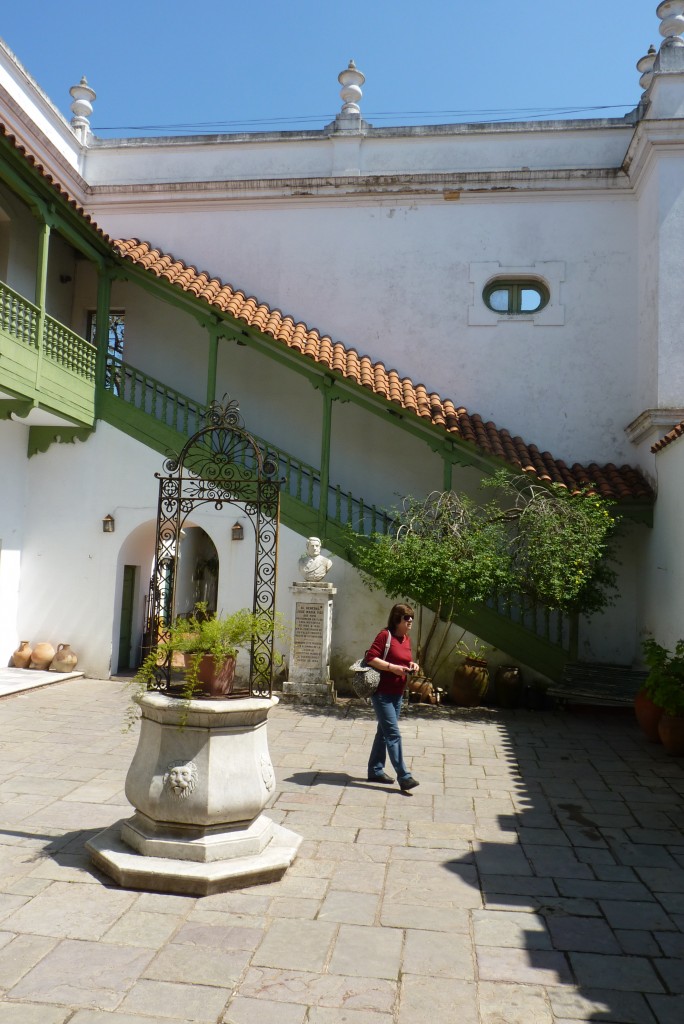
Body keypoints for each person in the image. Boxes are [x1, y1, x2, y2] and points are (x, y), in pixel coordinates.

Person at [365, 602, 420, 792]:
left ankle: (375, 770)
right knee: (393, 734)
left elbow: (404, 660)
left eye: (412, 617)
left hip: (398, 693)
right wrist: (391, 667)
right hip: (382, 693)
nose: (410, 621)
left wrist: (412, 665)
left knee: (384, 732)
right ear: (397, 619)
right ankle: (404, 776)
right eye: (407, 618)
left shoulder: (406, 639)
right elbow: (370, 658)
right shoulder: (384, 635)